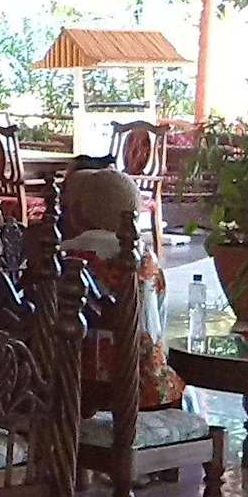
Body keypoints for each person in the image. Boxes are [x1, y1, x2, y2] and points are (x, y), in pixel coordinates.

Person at [60, 166, 185, 411]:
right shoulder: (147, 262)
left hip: (75, 391)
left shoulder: (63, 255)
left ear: (78, 214)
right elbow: (158, 328)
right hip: (146, 390)